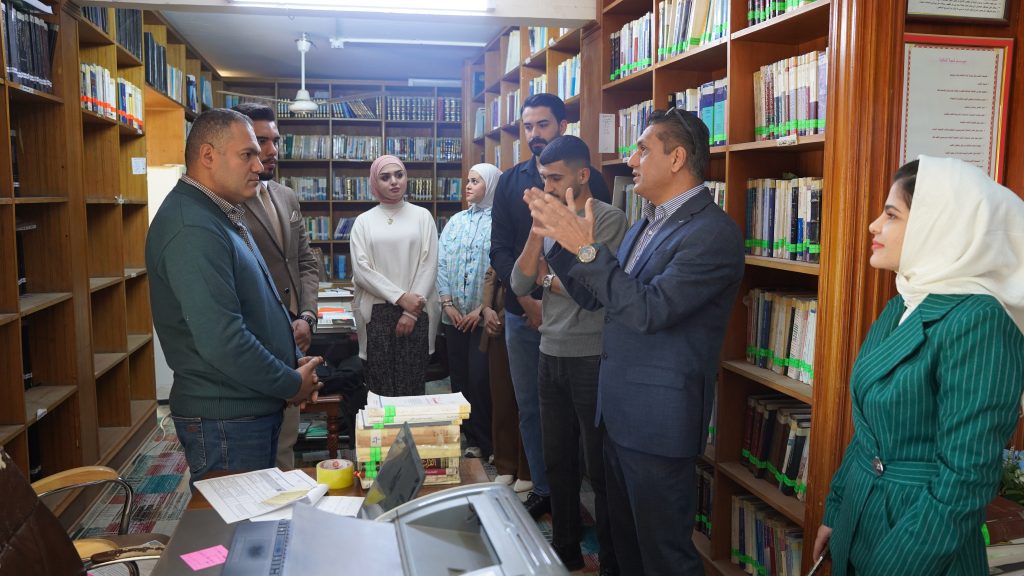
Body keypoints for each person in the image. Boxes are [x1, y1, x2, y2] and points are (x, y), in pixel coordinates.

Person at [525, 108, 744, 575]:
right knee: (624, 550)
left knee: (664, 557)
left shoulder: (712, 233)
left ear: (677, 158)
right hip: (617, 414)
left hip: (658, 424)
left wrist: (585, 248)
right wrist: (561, 240)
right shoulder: (646, 223)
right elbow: (596, 296)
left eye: (643, 149)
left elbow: (650, 310)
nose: (630, 160)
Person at [811, 156, 1024, 576]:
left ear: (936, 226)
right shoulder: (904, 303)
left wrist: (897, 565)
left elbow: (965, 479)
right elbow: (869, 431)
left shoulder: (980, 321)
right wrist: (837, 511)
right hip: (862, 518)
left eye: (891, 215)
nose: (874, 226)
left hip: (921, 544)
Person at [146, 109, 321, 483]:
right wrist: (291, 382)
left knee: (259, 513)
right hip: (227, 419)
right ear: (208, 156)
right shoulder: (193, 227)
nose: (259, 165)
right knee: (237, 518)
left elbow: (258, 303)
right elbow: (223, 340)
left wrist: (291, 358)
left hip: (244, 409)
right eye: (248, 155)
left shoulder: (219, 214)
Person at [489, 92, 612, 516]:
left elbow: (596, 258)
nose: (534, 133)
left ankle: (576, 501)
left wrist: (548, 285)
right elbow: (500, 251)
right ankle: (546, 489)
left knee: (579, 421)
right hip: (521, 314)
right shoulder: (510, 182)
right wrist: (526, 300)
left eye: (542, 124)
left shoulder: (590, 181)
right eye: (527, 126)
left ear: (561, 125)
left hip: (578, 324)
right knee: (530, 407)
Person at [511, 135, 624, 574]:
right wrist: (537, 235)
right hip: (549, 351)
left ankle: (611, 560)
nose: (548, 187)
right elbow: (519, 284)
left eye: (555, 178)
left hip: (591, 357)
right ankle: (565, 551)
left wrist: (547, 277)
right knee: (557, 460)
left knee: (598, 467)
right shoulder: (547, 220)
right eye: (543, 178)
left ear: (582, 175)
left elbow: (589, 293)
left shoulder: (607, 219)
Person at [232, 102, 320, 470]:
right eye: (260, 142)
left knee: (286, 443)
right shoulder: (229, 201)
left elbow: (305, 262)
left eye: (275, 140)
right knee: (252, 455)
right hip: (251, 343)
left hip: (293, 340)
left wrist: (307, 316)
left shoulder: (286, 196)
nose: (271, 151)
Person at [350, 154, 439, 396]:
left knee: (412, 393)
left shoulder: (423, 216)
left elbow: (429, 265)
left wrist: (410, 311)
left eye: (399, 175)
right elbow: (361, 271)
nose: (394, 181)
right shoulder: (363, 221)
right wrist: (400, 297)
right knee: (380, 394)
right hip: (376, 313)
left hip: (417, 312)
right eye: (385, 177)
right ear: (374, 182)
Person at [437, 163, 501, 460]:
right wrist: (447, 304)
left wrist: (482, 308)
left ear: (492, 184)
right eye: (468, 181)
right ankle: (471, 439)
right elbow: (441, 262)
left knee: (481, 380)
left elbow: (499, 269)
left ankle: (491, 443)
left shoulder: (500, 222)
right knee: (460, 380)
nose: (468, 186)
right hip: (453, 317)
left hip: (482, 318)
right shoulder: (456, 221)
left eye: (476, 181)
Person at [480, 266, 531, 487]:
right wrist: (486, 309)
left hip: (526, 314)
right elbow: (490, 274)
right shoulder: (499, 244)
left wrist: (501, 315)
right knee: (501, 395)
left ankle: (527, 469)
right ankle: (505, 464)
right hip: (496, 319)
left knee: (526, 400)